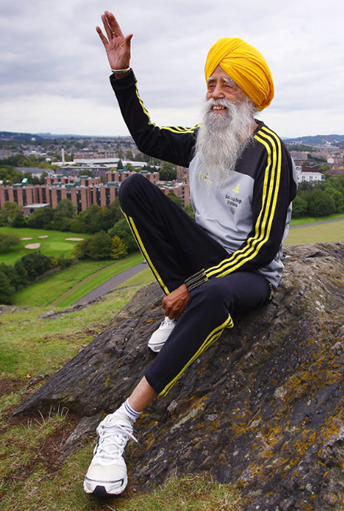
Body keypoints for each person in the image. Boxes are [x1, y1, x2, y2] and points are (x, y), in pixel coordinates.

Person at [84, 10, 297, 497]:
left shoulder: (270, 151)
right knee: (135, 188)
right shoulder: (205, 139)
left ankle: (120, 420)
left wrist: (193, 286)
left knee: (212, 294)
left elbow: (263, 246)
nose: (216, 93)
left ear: (249, 95)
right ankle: (186, 307)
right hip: (205, 257)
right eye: (211, 84)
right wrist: (122, 74)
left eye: (228, 84)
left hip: (251, 274)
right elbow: (147, 137)